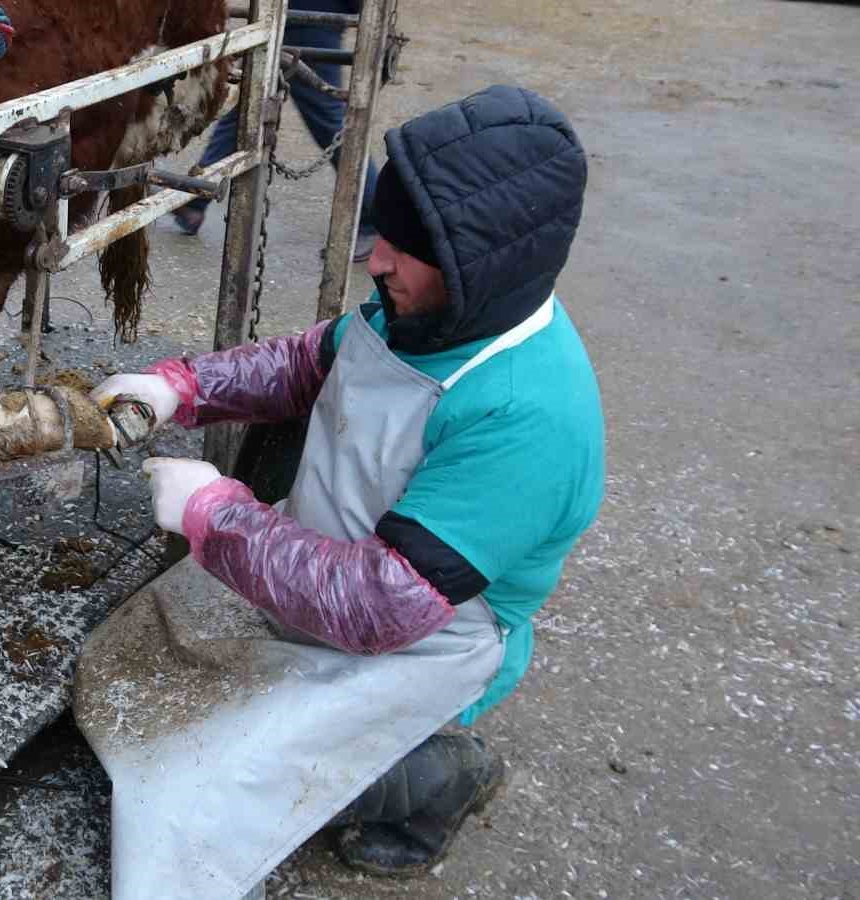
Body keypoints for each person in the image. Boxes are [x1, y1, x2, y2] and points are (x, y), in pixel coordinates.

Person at [90, 85, 603, 882]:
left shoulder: (526, 416)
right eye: (385, 234)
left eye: (409, 246)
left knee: (184, 801)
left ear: (486, 264)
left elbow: (380, 605)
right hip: (333, 568)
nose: (378, 259)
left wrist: (216, 515)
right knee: (126, 672)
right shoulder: (433, 310)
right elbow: (308, 363)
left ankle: (437, 775)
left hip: (414, 640)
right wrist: (180, 389)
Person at [172, 0, 381, 261]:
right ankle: (196, 200)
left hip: (311, 10)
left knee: (327, 119)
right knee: (249, 106)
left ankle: (375, 218)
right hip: (285, 11)